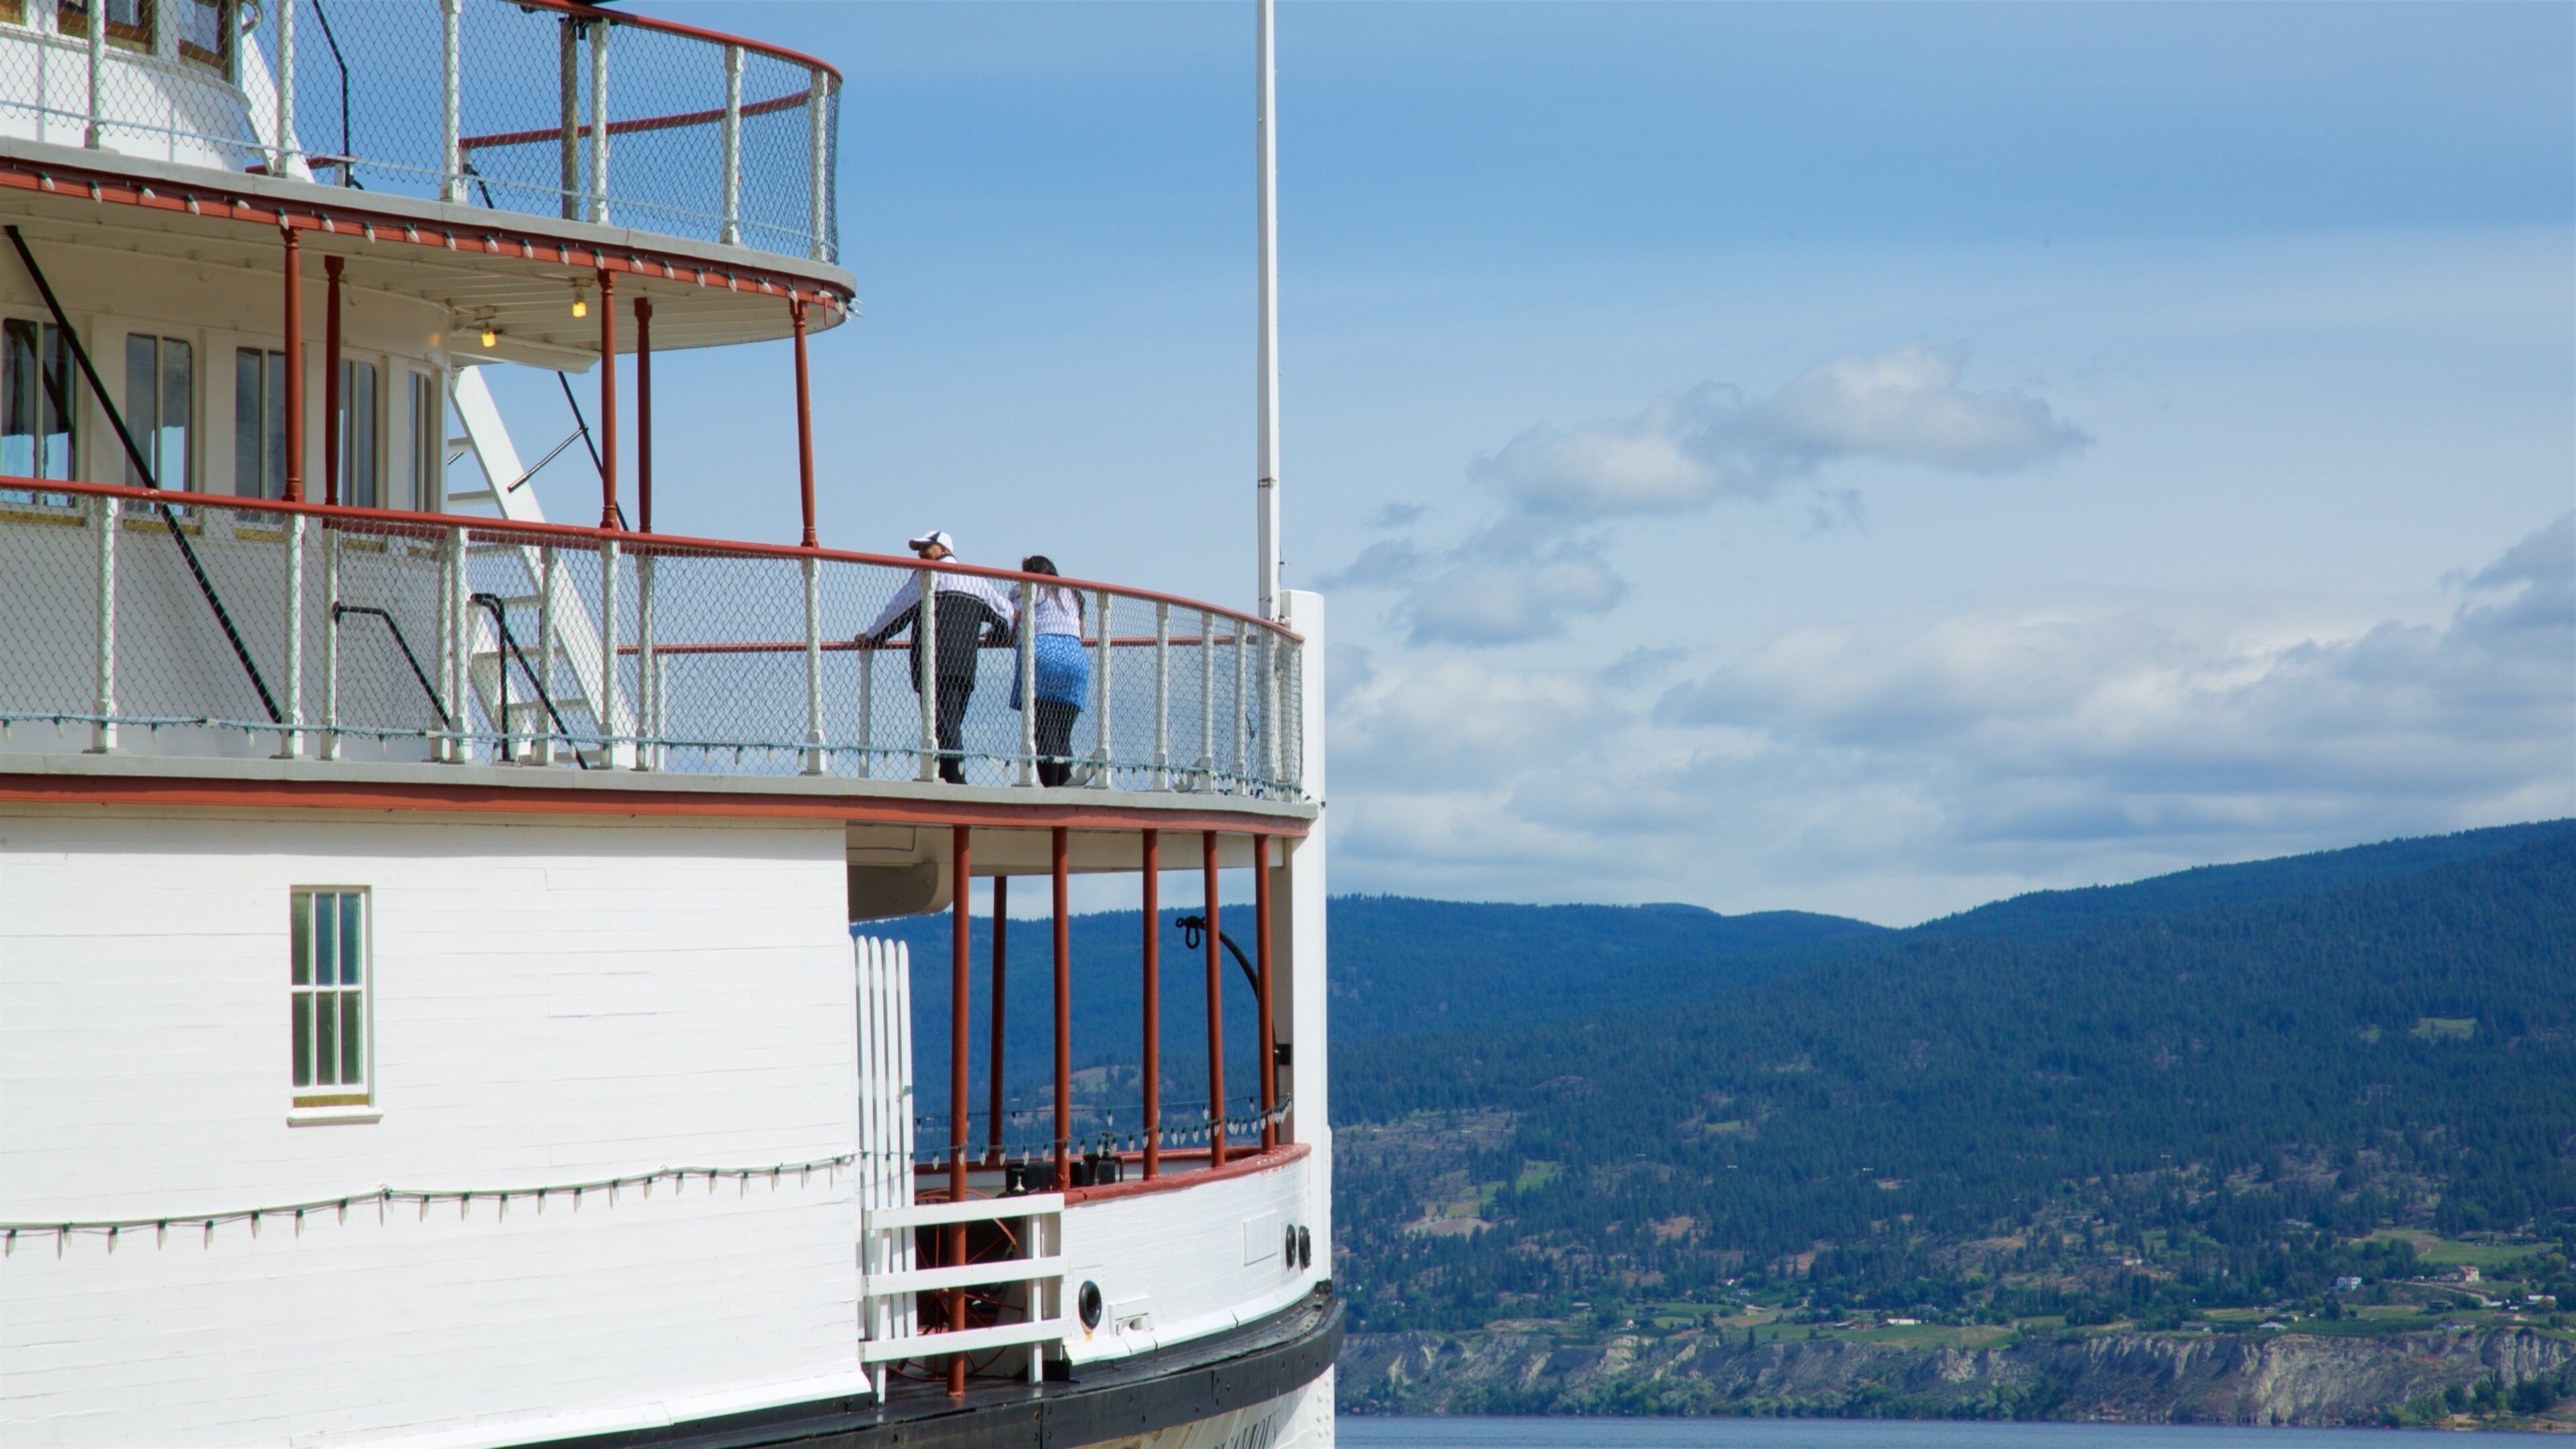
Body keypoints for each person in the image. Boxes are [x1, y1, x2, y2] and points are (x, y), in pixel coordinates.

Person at [861, 530, 1016, 784]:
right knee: (950, 725)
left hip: (933, 666)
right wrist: (997, 636)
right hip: (965, 667)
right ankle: (950, 779)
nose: (920, 554)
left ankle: (956, 785)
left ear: (943, 550)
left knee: (942, 729)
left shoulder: (927, 578)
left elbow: (897, 612)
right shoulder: (975, 579)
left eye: (926, 548)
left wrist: (872, 636)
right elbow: (1006, 615)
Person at [1008, 555, 1090, 786]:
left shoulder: (1027, 589)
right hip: (1074, 660)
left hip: (1043, 657)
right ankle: (1065, 791)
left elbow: (1012, 619)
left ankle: (1051, 791)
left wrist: (1004, 635)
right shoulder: (1073, 593)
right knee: (1062, 736)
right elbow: (1082, 632)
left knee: (1044, 732)